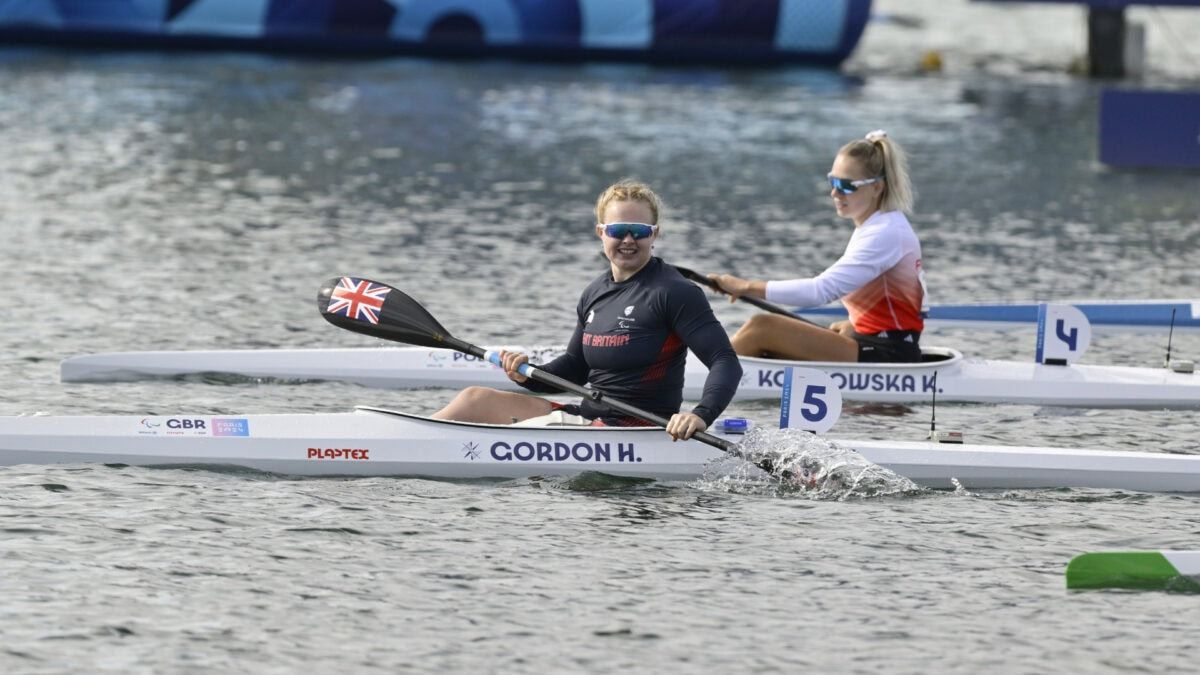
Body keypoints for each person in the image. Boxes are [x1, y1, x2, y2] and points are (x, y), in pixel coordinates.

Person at [432, 180, 743, 441]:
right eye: (619, 229)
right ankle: (411, 439)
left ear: (655, 234)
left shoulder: (675, 292)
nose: (628, 239)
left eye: (640, 230)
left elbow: (724, 360)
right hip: (590, 419)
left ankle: (409, 446)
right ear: (601, 232)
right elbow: (576, 367)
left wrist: (700, 415)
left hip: (638, 430)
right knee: (476, 398)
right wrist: (525, 375)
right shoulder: (595, 292)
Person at [709, 130, 926, 363]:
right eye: (832, 181)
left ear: (877, 187)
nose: (834, 192)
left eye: (846, 185)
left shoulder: (886, 233)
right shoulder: (880, 225)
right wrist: (856, 324)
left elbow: (820, 290)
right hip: (876, 342)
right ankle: (714, 370)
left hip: (889, 353)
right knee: (767, 335)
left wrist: (745, 286)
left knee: (763, 327)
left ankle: (702, 376)